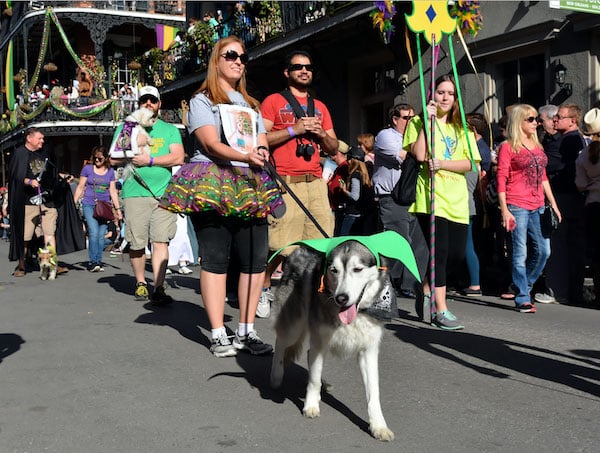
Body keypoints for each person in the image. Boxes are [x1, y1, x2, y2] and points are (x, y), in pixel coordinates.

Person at [160, 36, 279, 357]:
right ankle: (216, 333)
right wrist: (246, 155)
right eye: (231, 55)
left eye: (243, 57)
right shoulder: (202, 100)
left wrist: (261, 152)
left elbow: (262, 140)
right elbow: (210, 144)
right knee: (215, 259)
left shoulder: (251, 105)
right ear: (217, 61)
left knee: (255, 260)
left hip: (250, 183)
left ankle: (246, 331)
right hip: (213, 181)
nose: (239, 61)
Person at [258, 49, 338, 318]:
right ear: (287, 72)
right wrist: (295, 129)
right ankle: (264, 286)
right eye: (298, 67)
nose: (304, 71)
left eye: (308, 67)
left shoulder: (321, 107)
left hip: (315, 181)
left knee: (321, 242)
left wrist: (319, 133)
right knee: (280, 244)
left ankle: (313, 293)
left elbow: (334, 146)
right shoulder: (273, 101)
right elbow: (261, 139)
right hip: (286, 181)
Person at [404, 75, 481, 329]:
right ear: (432, 95)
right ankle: (441, 309)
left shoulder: (464, 128)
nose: (445, 97)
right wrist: (428, 120)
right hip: (431, 198)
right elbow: (419, 154)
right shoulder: (418, 122)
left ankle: (426, 287)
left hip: (457, 199)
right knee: (441, 253)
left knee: (457, 256)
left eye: (450, 93)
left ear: (455, 98)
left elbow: (471, 163)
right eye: (440, 92)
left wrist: (444, 163)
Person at [109, 85, 184, 304]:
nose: (148, 104)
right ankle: (141, 283)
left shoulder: (169, 130)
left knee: (161, 241)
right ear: (139, 104)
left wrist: (149, 160)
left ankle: (158, 287)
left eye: (153, 100)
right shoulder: (127, 128)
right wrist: (133, 146)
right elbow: (113, 159)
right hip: (135, 193)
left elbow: (178, 157)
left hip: (163, 195)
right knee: (137, 243)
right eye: (144, 100)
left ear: (159, 104)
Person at [496, 104, 562, 313]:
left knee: (544, 251)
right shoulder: (508, 146)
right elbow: (501, 177)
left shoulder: (537, 146)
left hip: (538, 205)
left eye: (536, 119)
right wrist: (504, 209)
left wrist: (553, 203)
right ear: (518, 122)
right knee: (520, 252)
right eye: (530, 119)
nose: (536, 123)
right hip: (517, 204)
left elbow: (542, 177)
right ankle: (523, 296)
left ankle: (523, 285)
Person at [374, 103, 427, 297]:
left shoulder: (416, 136)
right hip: (392, 197)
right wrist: (420, 143)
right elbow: (406, 155)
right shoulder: (386, 136)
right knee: (398, 241)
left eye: (414, 118)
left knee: (420, 244)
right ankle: (382, 282)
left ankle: (411, 284)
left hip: (415, 196)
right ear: (395, 119)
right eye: (406, 118)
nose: (411, 122)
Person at [8, 128, 70, 276]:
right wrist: (29, 181)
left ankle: (51, 265)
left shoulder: (44, 154)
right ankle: (21, 265)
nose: (42, 141)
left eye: (43, 138)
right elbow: (15, 178)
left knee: (49, 233)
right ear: (29, 138)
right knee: (25, 236)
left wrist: (62, 177)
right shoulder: (20, 154)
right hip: (28, 202)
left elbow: (50, 173)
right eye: (39, 138)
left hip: (47, 200)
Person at [546, 103, 587, 305]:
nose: (555, 120)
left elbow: (552, 164)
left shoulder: (568, 142)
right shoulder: (573, 139)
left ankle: (558, 290)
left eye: (559, 117)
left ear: (572, 120)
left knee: (560, 245)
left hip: (565, 196)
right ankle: (573, 291)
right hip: (572, 197)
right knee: (571, 246)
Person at [73, 146, 122, 272]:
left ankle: (98, 261)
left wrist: (118, 209)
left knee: (101, 236)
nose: (97, 160)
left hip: (104, 206)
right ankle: (93, 261)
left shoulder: (110, 172)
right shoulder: (87, 169)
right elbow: (80, 187)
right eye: (95, 157)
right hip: (89, 203)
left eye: (99, 158)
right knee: (93, 232)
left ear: (105, 158)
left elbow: (113, 191)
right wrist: (73, 203)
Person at [460, 113, 492, 296]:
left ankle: (474, 282)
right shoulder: (476, 155)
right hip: (471, 203)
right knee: (469, 244)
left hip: (467, 204)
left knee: (467, 245)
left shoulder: (475, 155)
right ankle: (471, 281)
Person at [575, 108, 600, 305]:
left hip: (593, 205)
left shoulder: (583, 154)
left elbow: (580, 184)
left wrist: (594, 184)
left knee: (597, 254)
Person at [327, 140, 350, 235]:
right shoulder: (339, 168)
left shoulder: (345, 168)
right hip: (335, 207)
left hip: (340, 208)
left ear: (338, 153)